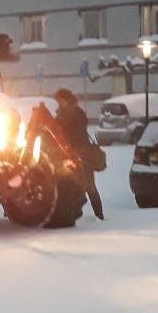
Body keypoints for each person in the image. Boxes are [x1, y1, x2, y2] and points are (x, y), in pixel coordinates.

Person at [52, 88, 104, 220]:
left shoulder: (75, 113)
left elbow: (72, 132)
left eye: (59, 100)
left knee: (88, 186)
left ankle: (99, 216)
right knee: (79, 185)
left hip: (81, 154)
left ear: (65, 100)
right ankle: (80, 212)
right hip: (72, 154)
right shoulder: (68, 113)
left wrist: (60, 119)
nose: (57, 103)